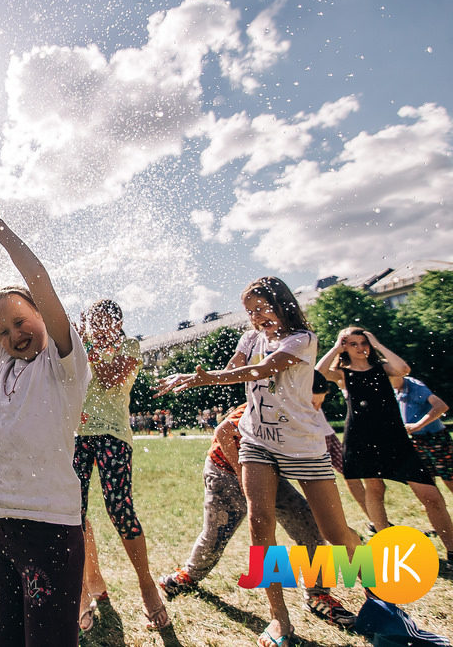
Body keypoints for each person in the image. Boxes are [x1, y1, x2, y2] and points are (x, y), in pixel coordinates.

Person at [156, 276, 362, 647]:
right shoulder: (250, 338)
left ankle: (362, 569)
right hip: (257, 440)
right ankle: (279, 620)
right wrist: (195, 376)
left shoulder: (302, 340)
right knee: (261, 522)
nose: (256, 317)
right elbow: (238, 366)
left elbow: (263, 370)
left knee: (333, 533)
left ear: (283, 303)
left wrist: (211, 378)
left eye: (263, 307)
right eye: (250, 311)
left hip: (301, 444)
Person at [0, 201, 91, 646]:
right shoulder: (4, 364)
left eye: (20, 321)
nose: (13, 334)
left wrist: (1, 232)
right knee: (3, 640)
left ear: (41, 314)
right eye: (2, 331)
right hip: (3, 523)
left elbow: (39, 280)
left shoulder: (62, 363)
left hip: (50, 530)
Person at [157, 405, 357, 629]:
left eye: (320, 404)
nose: (315, 407)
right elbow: (223, 431)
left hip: (269, 474)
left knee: (309, 525)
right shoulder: (270, 402)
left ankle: (317, 594)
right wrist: (242, 474)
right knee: (215, 537)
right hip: (225, 473)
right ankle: (188, 576)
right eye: (313, 401)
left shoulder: (306, 413)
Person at [73, 300, 169, 633]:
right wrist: (76, 339)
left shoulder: (129, 346)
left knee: (120, 509)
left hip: (113, 434)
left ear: (118, 322)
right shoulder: (79, 345)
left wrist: (86, 344)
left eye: (104, 322)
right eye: (93, 322)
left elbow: (112, 377)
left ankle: (146, 585)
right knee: (72, 512)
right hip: (77, 435)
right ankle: (82, 590)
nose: (98, 328)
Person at [317, 328, 453, 562]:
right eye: (353, 344)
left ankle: (452, 548)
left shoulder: (382, 368)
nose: (361, 348)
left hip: (395, 438)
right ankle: (387, 547)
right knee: (375, 490)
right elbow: (318, 374)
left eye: (364, 342)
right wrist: (336, 349)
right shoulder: (342, 374)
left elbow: (403, 369)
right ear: (345, 347)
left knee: (430, 495)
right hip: (361, 439)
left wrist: (377, 343)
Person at [395, 375, 453, 496]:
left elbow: (441, 406)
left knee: (449, 477)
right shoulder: (395, 389)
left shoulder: (415, 386)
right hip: (416, 440)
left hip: (435, 437)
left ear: (397, 373)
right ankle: (439, 510)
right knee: (427, 480)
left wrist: (418, 425)